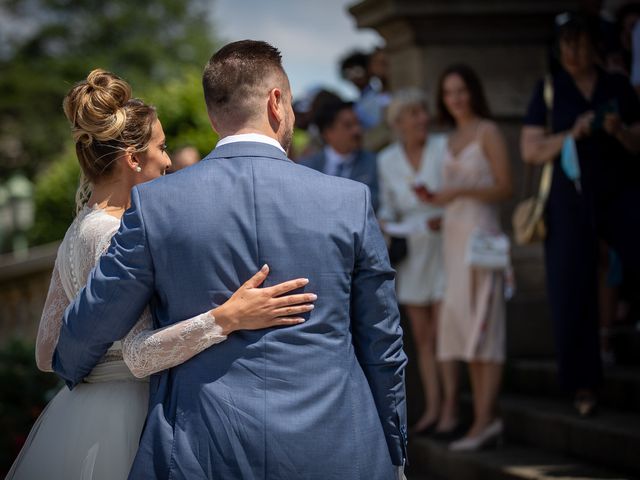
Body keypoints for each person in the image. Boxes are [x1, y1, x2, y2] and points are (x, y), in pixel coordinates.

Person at [53, 41, 408, 479]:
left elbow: (84, 332)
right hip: (336, 446)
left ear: (212, 114)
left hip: (200, 451)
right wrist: (395, 447)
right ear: (276, 103)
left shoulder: (156, 206)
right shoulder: (348, 200)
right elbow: (382, 343)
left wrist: (74, 371)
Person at [6, 69, 317, 480]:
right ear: (133, 159)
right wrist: (228, 317)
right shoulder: (117, 233)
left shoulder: (78, 228)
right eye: (162, 147)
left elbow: (47, 353)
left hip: (78, 414)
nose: (169, 160)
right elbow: (139, 354)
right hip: (131, 417)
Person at [521, 12, 640, 417]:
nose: (574, 52)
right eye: (567, 44)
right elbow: (530, 149)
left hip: (620, 191)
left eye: (582, 42)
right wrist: (573, 133)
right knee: (571, 288)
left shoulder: (618, 86)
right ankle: (583, 385)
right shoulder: (550, 90)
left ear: (595, 46)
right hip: (568, 201)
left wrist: (618, 130)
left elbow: (637, 140)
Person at [429, 64, 512, 451]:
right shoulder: (449, 138)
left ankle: (483, 422)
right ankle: (484, 419)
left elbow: (505, 186)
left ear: (473, 91)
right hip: (453, 239)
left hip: (482, 240)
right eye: (449, 92)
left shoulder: (487, 131)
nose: (456, 98)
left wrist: (460, 190)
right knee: (466, 335)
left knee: (486, 331)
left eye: (461, 90)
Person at [377, 88, 449, 436]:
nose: (423, 119)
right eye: (415, 113)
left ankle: (450, 409)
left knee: (445, 332)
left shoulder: (443, 147)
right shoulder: (386, 159)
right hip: (413, 253)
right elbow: (390, 207)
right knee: (422, 337)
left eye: (424, 112)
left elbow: (456, 193)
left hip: (446, 246)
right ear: (399, 121)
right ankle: (434, 408)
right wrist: (385, 223)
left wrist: (444, 215)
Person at [298, 99, 380, 210]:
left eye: (358, 123)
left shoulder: (373, 162)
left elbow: (375, 202)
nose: (357, 130)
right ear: (328, 133)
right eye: (348, 125)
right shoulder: (306, 168)